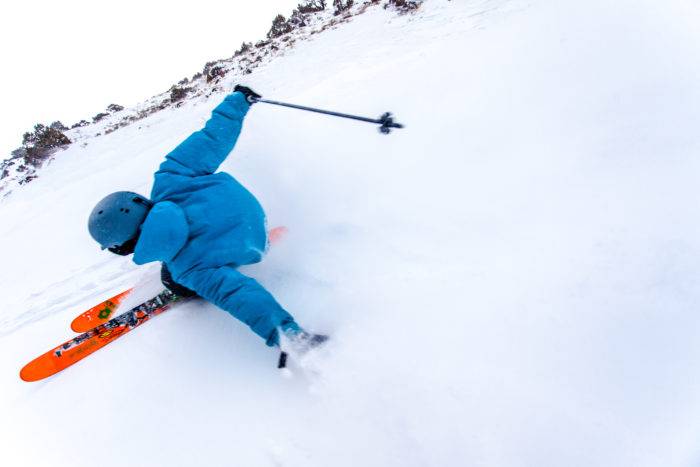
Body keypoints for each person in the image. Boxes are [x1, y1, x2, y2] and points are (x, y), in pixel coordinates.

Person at [87, 85, 326, 356]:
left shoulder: (189, 269)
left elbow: (240, 296)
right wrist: (238, 102)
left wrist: (288, 336)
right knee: (205, 252)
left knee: (174, 278)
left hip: (250, 245)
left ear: (126, 244)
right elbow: (213, 139)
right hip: (247, 214)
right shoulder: (170, 177)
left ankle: (249, 249)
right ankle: (258, 237)